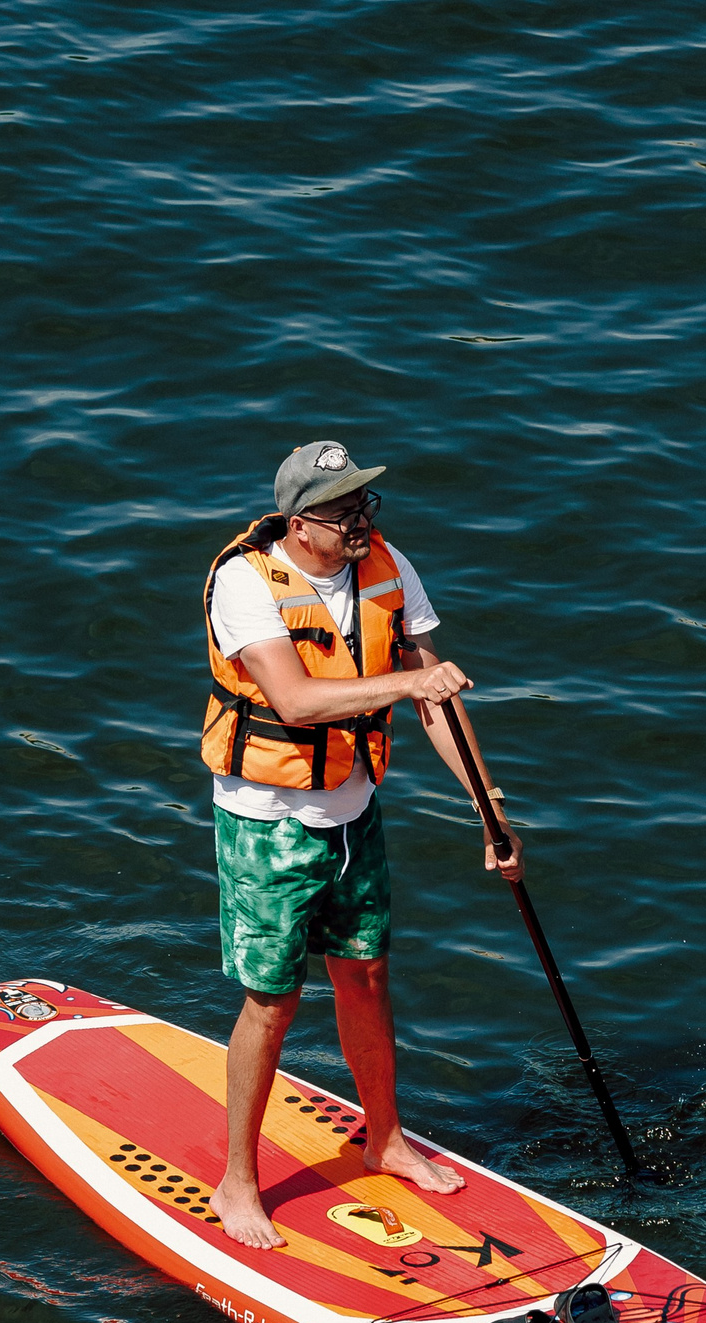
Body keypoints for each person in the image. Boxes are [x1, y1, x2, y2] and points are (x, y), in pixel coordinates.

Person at [197, 439, 521, 1249]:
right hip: (266, 819)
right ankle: (237, 1180)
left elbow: (437, 699)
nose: (361, 522)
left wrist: (491, 810)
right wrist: (412, 680)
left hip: (353, 810)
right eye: (345, 510)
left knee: (368, 974)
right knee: (273, 1000)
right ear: (301, 523)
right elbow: (296, 699)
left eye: (365, 505)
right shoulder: (245, 582)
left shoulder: (386, 564)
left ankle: (384, 1138)